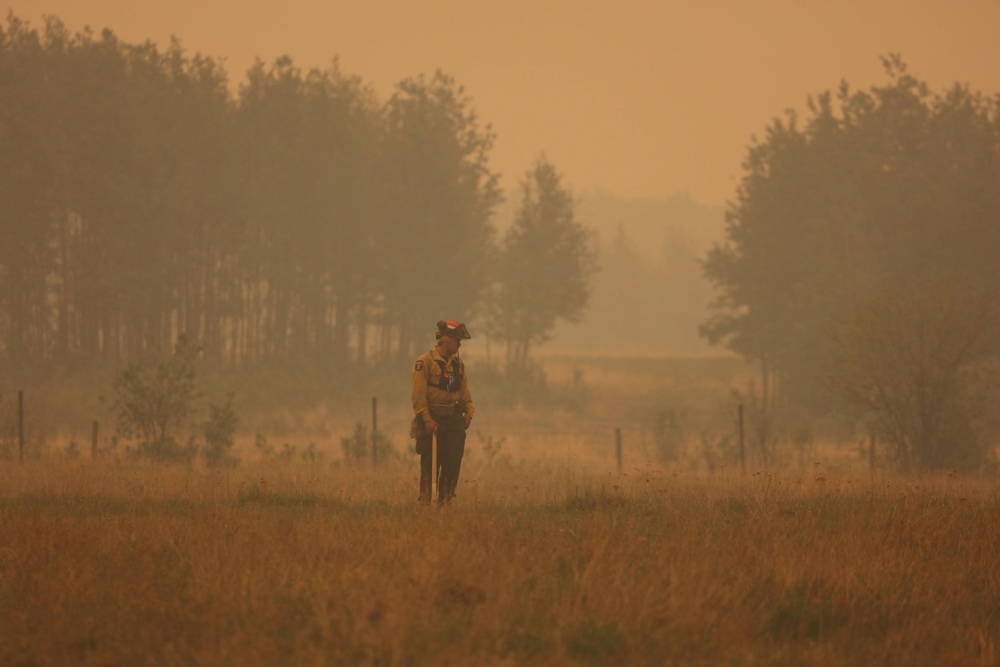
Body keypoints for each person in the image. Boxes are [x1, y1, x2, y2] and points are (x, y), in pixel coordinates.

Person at [411, 319, 474, 504]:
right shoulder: (425, 362)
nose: (459, 345)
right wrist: (427, 419)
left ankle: (445, 502)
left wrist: (469, 412)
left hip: (453, 419)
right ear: (446, 340)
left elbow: (464, 393)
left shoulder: (458, 365)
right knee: (430, 464)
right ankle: (425, 502)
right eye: (457, 341)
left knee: (453, 462)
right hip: (432, 419)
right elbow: (418, 395)